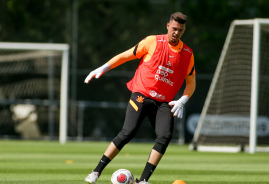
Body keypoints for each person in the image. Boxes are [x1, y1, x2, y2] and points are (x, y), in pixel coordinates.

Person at [84, 12, 196, 184]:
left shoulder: (188, 53)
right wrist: (104, 67)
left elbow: (191, 83)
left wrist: (183, 99)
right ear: (167, 26)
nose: (176, 32)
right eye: (174, 28)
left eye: (180, 30)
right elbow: (125, 55)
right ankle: (96, 172)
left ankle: (142, 181)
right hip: (142, 95)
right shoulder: (152, 41)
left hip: (164, 102)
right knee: (128, 132)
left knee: (165, 136)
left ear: (184, 30)